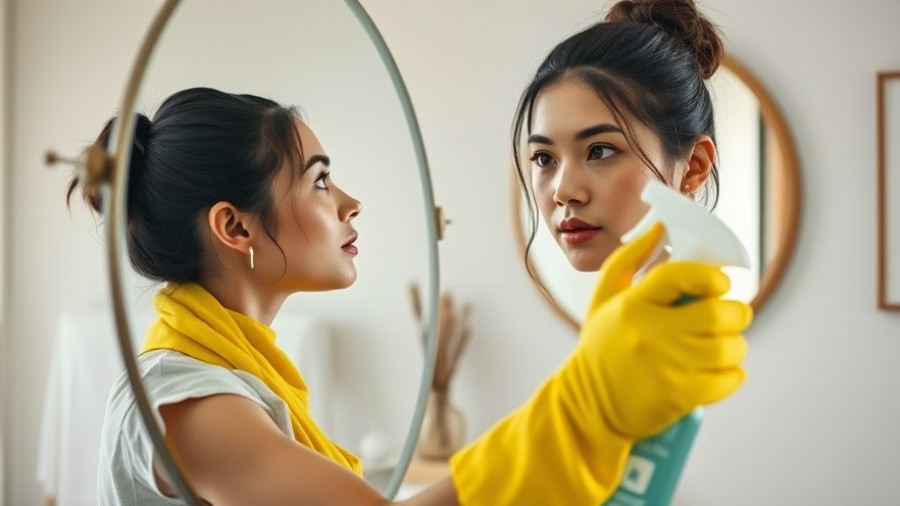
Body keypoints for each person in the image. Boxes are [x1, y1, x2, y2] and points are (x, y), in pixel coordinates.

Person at [70, 2, 750, 504]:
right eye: (320, 180)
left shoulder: (246, 385)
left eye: (599, 149)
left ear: (693, 167)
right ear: (236, 229)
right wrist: (579, 412)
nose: (350, 202)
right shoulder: (188, 403)